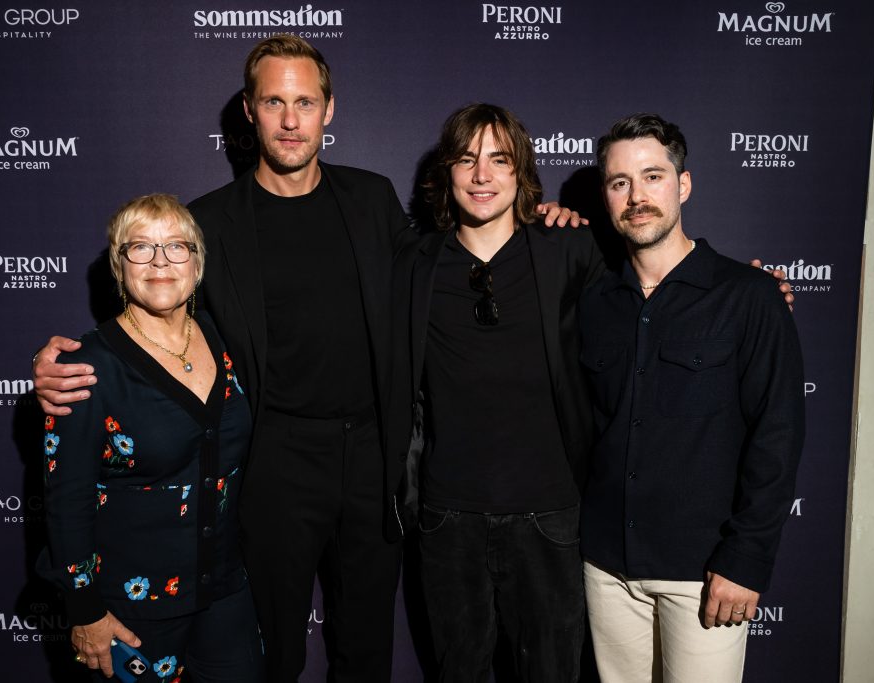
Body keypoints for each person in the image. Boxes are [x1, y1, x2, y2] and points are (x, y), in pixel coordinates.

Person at [33, 37, 580, 682]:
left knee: (365, 649)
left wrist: (541, 220)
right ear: (249, 111)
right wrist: (69, 359)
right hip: (273, 462)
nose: (291, 120)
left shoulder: (372, 200)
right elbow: (157, 302)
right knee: (275, 654)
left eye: (305, 102)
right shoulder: (211, 221)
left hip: (372, 460)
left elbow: (453, 262)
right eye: (274, 102)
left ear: (329, 110)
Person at [578, 113, 805, 683]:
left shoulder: (749, 296)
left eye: (653, 177)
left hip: (704, 573)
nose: (637, 197)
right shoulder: (593, 301)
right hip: (605, 566)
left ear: (683, 185)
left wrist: (745, 560)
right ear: (606, 197)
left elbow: (777, 435)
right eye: (619, 182)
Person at [388, 103, 604, 682]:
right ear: (447, 174)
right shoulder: (413, 263)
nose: (482, 175)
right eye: (466, 159)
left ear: (520, 173)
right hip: (447, 518)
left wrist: (751, 291)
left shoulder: (570, 250)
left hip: (550, 514)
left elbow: (653, 298)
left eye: (498, 159)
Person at [40, 193, 264, 682]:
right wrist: (85, 610)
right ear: (120, 266)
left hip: (224, 592)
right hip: (131, 610)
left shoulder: (221, 334)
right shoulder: (85, 367)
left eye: (177, 247)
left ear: (197, 264)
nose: (160, 261)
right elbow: (67, 498)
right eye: (140, 247)